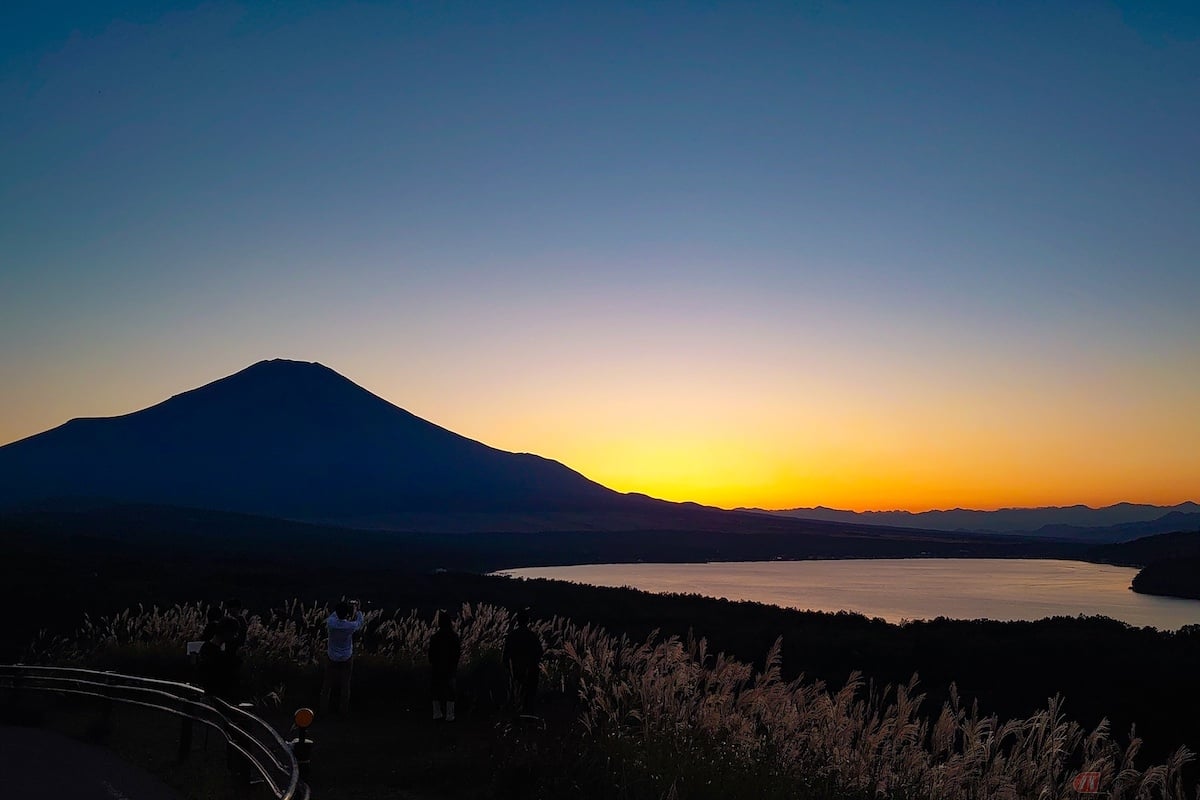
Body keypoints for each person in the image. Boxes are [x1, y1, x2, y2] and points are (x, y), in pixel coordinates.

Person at [321, 600, 364, 713]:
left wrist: (342, 607)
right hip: (346, 657)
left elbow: (334, 614)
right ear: (347, 614)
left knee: (327, 684)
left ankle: (323, 709)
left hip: (332, 657)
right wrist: (357, 609)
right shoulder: (350, 626)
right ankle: (343, 711)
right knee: (345, 685)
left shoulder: (331, 623)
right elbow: (360, 622)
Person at [502, 608, 543, 714]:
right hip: (530, 673)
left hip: (515, 673)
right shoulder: (532, 636)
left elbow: (505, 657)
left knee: (515, 697)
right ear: (527, 621)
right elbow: (539, 654)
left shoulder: (511, 636)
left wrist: (509, 670)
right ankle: (528, 718)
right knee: (529, 699)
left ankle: (515, 716)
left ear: (517, 620)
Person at [428, 610, 461, 722]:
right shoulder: (454, 637)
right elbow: (457, 654)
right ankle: (450, 715)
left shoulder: (434, 637)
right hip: (450, 668)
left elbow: (431, 655)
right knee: (450, 691)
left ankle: (436, 713)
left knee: (436, 691)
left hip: (437, 668)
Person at [198, 617, 240, 702]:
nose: (235, 636)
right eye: (234, 633)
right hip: (216, 700)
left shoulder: (205, 648)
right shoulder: (218, 655)